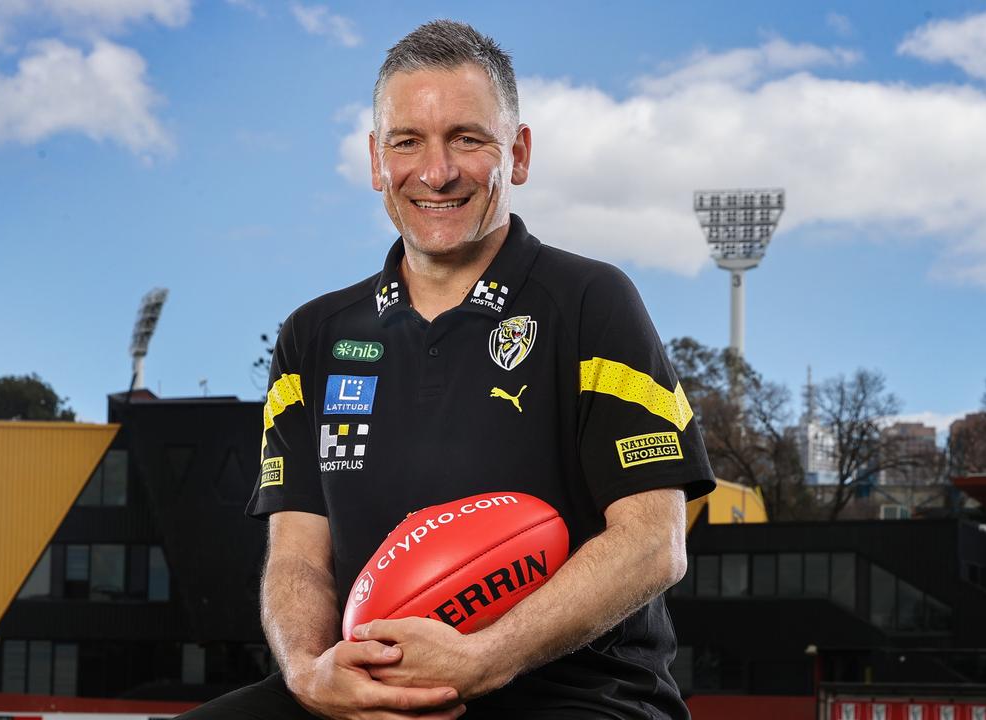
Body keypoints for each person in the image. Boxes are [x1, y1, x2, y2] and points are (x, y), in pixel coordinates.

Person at [178, 20, 714, 720]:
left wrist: (485, 659)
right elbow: (299, 558)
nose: (436, 172)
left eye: (467, 138)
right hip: (366, 687)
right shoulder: (314, 336)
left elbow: (652, 543)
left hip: (575, 694)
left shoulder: (591, 302)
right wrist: (312, 674)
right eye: (408, 142)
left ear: (517, 154)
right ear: (376, 161)